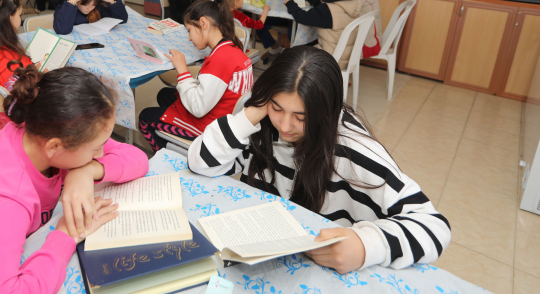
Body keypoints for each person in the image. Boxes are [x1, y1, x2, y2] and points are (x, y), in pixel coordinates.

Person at [188, 46, 450, 272]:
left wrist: (364, 246)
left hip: (318, 268)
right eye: (277, 108)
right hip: (261, 253)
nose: (285, 126)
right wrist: (249, 115)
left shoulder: (352, 149)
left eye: (301, 117)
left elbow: (434, 227)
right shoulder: (260, 123)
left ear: (325, 113)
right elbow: (200, 163)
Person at [0, 66, 149, 293]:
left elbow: (137, 158)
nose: (101, 154)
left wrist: (86, 171)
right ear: (54, 147)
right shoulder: (3, 201)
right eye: (95, 149)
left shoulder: (43, 128)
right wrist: (66, 235)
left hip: (21, 237)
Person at [138, 0, 252, 151]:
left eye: (189, 30)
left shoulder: (220, 59)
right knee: (164, 94)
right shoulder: (231, 48)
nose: (189, 38)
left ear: (203, 23)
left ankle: (167, 157)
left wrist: (182, 70)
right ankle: (175, 142)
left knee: (145, 117)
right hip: (225, 116)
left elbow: (198, 108)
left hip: (211, 127)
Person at [284, 0, 360, 69]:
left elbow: (302, 17)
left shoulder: (327, 10)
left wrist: (290, 3)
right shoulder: (350, 2)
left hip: (331, 58)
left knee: (291, 52)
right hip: (348, 55)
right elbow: (326, 6)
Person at [52, 0, 128, 35]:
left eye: (93, 5)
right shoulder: (63, 8)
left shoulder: (97, 9)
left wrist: (111, 0)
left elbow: (121, 19)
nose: (89, 9)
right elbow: (62, 30)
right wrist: (72, 1)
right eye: (86, 5)